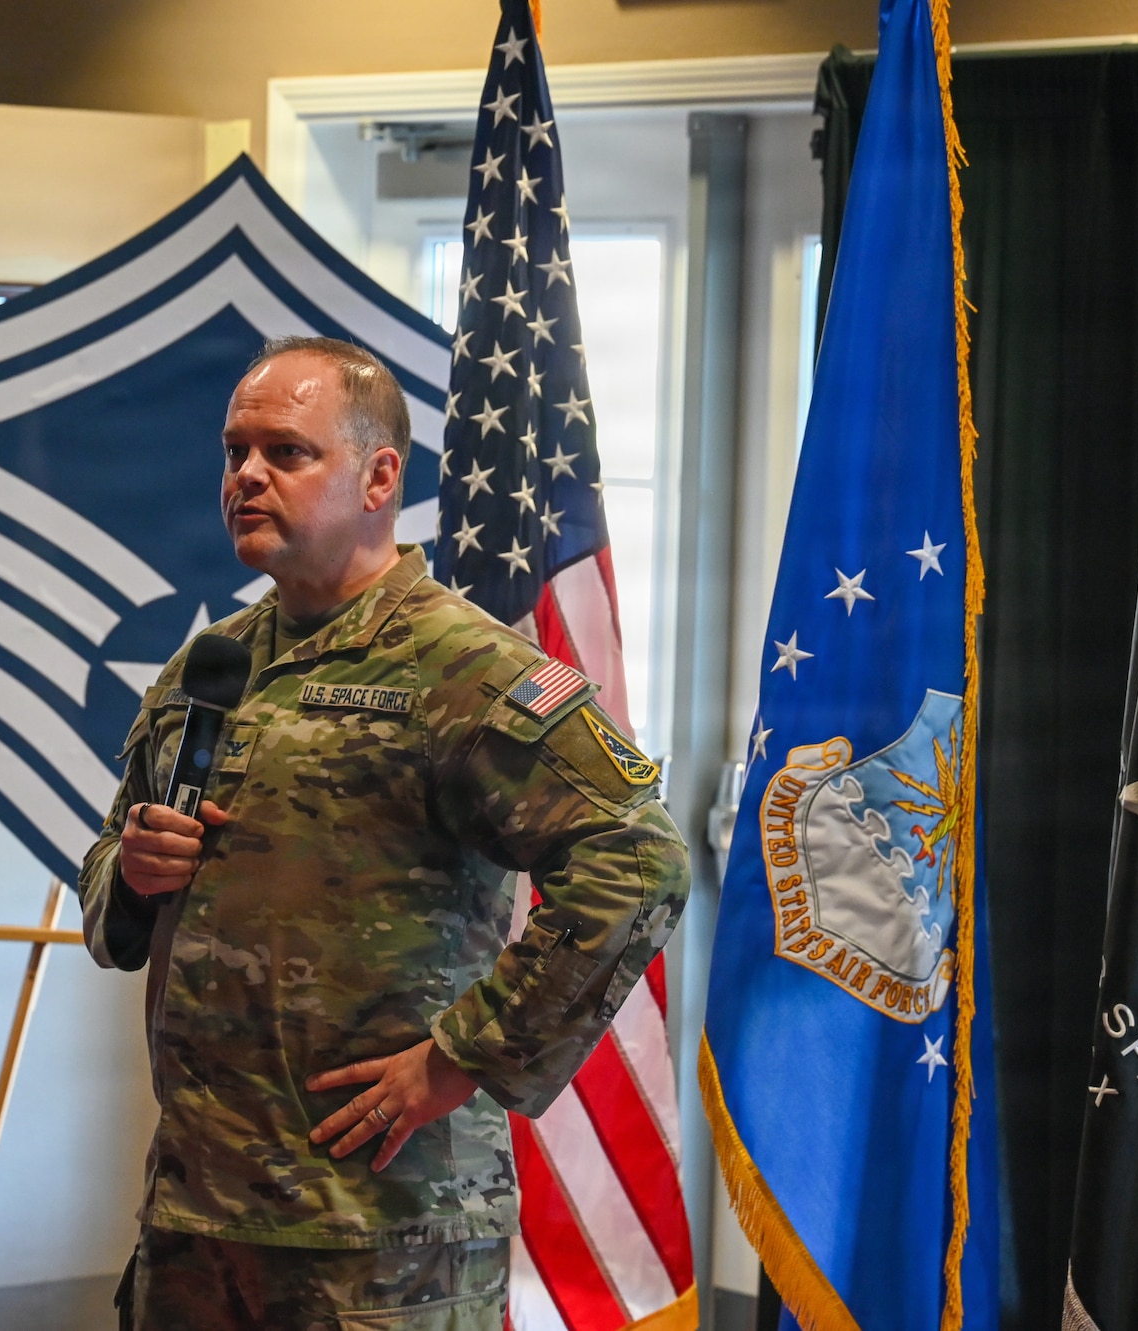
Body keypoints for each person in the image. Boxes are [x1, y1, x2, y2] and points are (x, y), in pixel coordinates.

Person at [78, 335, 691, 1329]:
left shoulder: (464, 667)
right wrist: (134, 871)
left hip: (382, 1236)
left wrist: (462, 1056)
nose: (246, 476)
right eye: (235, 452)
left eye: (286, 451)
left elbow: (637, 859)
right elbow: (110, 885)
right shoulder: (209, 667)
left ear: (378, 477)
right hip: (199, 1218)